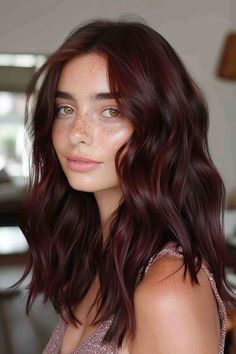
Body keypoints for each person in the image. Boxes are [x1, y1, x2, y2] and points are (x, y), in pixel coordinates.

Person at [16, 16, 236, 354]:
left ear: (160, 127)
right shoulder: (95, 263)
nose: (77, 132)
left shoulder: (168, 291)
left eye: (111, 111)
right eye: (65, 108)